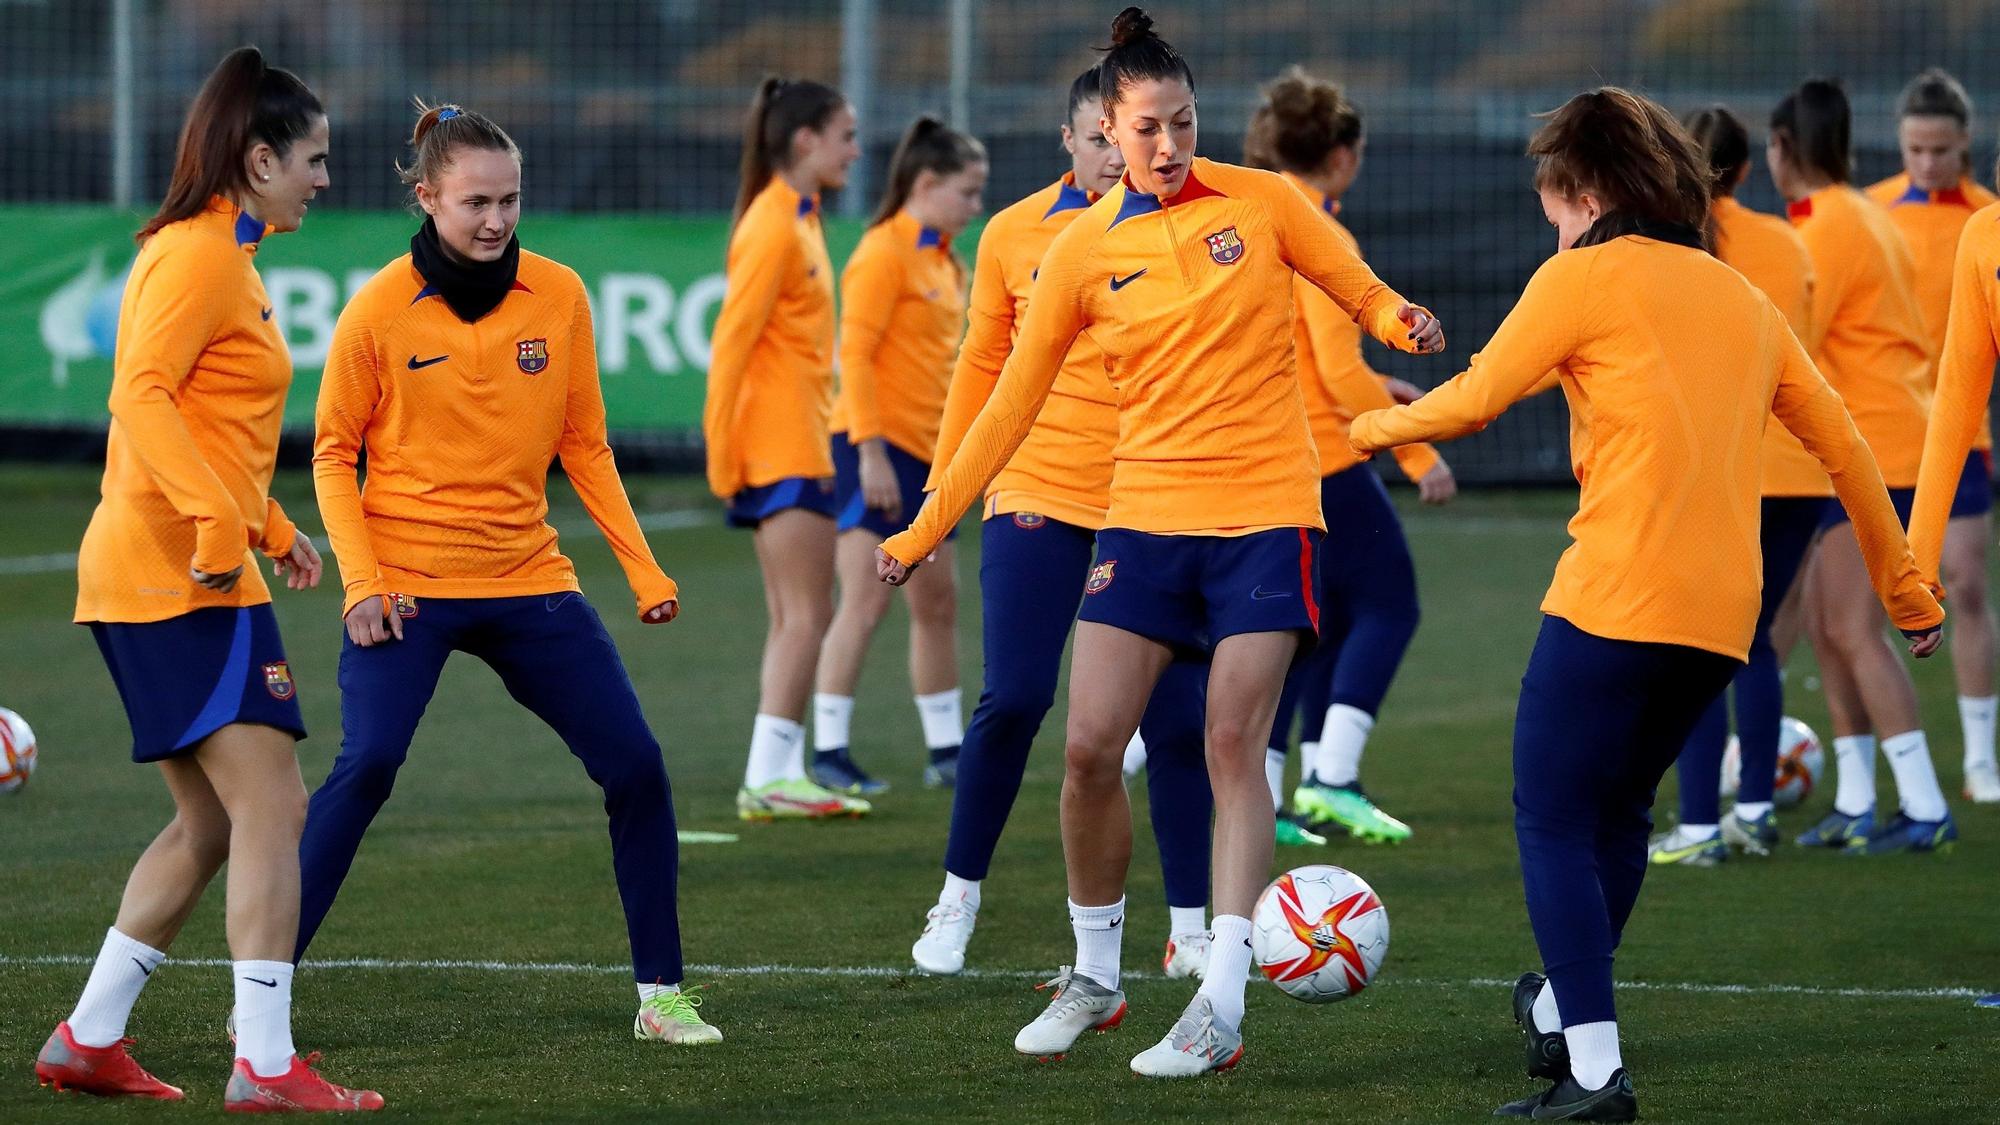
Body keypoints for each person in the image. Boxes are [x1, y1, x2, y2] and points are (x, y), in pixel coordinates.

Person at [1349, 86, 1942, 1121]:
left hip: (1615, 595)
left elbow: (1476, 398)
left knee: (1548, 815)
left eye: (1550, 201)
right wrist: (1903, 588)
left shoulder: (1579, 277)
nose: (1547, 220)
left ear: (1582, 189)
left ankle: (1590, 1070)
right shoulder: (1735, 295)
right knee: (1616, 812)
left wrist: (1358, 425)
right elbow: (1845, 446)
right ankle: (1562, 1020)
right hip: (1721, 619)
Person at [880, 7, 1445, 1077]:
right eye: (1145, 129)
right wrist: (925, 524)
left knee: (1230, 743)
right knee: (1089, 746)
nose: (1168, 146)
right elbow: (1006, 404)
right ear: (1104, 128)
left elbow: (1352, 284)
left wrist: (1396, 319)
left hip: (1264, 516)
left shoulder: (1264, 201)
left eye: (1182, 122)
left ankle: (1219, 1004)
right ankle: (1095, 977)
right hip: (1139, 519)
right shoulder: (1080, 250)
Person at [301, 101, 721, 1046]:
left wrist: (643, 569)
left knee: (639, 768)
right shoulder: (375, 310)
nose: (496, 220)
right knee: (366, 765)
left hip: (530, 580)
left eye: (511, 201)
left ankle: (663, 995)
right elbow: (332, 454)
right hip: (406, 586)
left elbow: (585, 444)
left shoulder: (559, 294)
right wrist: (361, 583)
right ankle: (264, 984)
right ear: (426, 197)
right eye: (475, 202)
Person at [36, 46, 381, 1112]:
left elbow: (204, 420)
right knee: (274, 808)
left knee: (216, 825)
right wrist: (219, 528)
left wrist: (271, 524)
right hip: (180, 576)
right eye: (312, 160)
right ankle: (266, 1063)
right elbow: (138, 396)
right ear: (257, 156)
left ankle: (89, 1039)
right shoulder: (198, 259)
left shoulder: (221, 255)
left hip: (178, 569)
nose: (324, 180)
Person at [907, 65, 1216, 982]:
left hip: (1150, 493)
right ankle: (958, 898)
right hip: (1036, 482)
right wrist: (942, 493)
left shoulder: (1187, 223)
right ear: (1075, 138)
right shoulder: (1011, 235)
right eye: (1098, 138)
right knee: (1015, 697)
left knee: (1174, 716)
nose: (1119, 154)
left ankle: (1190, 928)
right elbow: (980, 370)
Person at [1242, 67, 1457, 849]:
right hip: (1326, 458)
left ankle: (1274, 800)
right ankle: (1331, 778)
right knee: (1392, 604)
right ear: (1341, 156)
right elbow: (1333, 374)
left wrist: (1379, 383)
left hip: (1270, 452)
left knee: (1306, 628)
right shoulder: (1323, 231)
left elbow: (1312, 355)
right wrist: (1419, 452)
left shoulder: (1255, 214)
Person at [1769, 79, 1957, 853]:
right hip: (1868, 442)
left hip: (1876, 446)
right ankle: (1855, 798)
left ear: (1785, 150)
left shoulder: (1830, 229)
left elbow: (1785, 340)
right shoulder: (1859, 214)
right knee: (1825, 623)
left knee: (1848, 624)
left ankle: (1923, 804)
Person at [1650, 106, 1831, 867]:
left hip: (1720, 468)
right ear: (1750, 170)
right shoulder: (1787, 242)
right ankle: (1753, 810)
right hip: (1798, 465)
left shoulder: (1667, 248)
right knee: (1753, 643)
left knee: (1698, 646)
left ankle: (1697, 824)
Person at [703, 77, 870, 820]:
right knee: (808, 612)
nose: (855, 151)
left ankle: (775, 770)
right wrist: (722, 454)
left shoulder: (796, 217)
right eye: (845, 136)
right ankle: (772, 775)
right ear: (806, 140)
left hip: (799, 440)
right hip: (782, 448)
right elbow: (731, 345)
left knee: (798, 613)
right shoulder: (774, 223)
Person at [812, 117, 986, 796]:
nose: (976, 207)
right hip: (875, 448)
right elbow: (851, 355)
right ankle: (828, 749)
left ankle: (946, 749)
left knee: (939, 599)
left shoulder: (945, 258)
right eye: (967, 192)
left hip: (932, 453)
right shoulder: (883, 252)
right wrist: (872, 452)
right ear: (926, 183)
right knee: (864, 599)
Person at [1867, 69, 2000, 804]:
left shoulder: (1983, 216)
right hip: (1884, 433)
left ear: (1965, 146)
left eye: (1940, 149)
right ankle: (1869, 773)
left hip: (1963, 434)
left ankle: (1980, 756)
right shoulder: (1871, 212)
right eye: (1915, 148)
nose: (1926, 163)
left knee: (1973, 586)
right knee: (1850, 612)